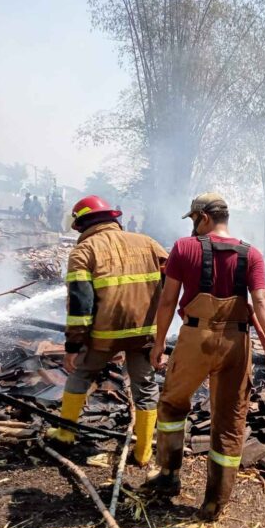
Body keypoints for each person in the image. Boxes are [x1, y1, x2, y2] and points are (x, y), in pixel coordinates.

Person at [143, 192, 265, 520]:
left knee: (172, 404)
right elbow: (262, 303)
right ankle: (214, 502)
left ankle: (168, 477)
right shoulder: (252, 255)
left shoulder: (183, 248)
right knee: (230, 421)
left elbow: (167, 302)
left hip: (195, 337)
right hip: (237, 342)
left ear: (204, 217)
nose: (192, 227)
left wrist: (158, 343)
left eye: (193, 220)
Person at [46, 195, 168, 467]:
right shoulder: (148, 243)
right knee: (145, 387)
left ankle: (65, 434)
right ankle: (143, 452)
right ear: (113, 218)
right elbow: (173, 279)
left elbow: (81, 304)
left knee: (80, 375)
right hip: (143, 334)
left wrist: (73, 347)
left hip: (102, 337)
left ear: (82, 224)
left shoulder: (83, 252)